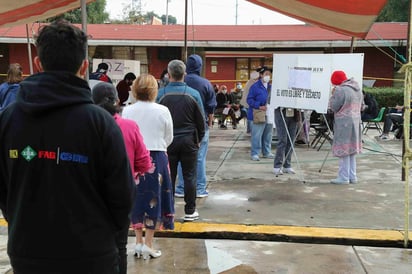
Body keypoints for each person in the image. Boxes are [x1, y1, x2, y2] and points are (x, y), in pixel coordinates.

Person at [0, 20, 134, 273]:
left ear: (38, 64)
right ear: (84, 67)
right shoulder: (101, 124)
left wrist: (21, 220)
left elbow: (4, 190)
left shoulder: (8, 119)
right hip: (92, 256)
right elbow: (123, 196)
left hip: (28, 252)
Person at [92, 81, 152, 272]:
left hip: (90, 194)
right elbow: (144, 162)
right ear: (118, 101)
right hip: (122, 193)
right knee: (120, 245)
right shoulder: (129, 126)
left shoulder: (85, 126)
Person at [122, 74, 175, 260]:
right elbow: (169, 137)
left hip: (135, 157)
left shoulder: (128, 111)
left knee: (136, 199)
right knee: (156, 198)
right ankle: (149, 244)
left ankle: (137, 242)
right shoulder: (163, 110)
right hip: (157, 157)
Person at [157, 59, 205, 221]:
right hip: (189, 140)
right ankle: (190, 210)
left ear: (168, 74)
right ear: (184, 74)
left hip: (167, 142)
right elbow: (201, 121)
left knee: (168, 176)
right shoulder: (193, 94)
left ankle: (167, 211)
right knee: (190, 176)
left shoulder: (161, 94)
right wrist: (198, 139)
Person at [175, 54, 216, 198]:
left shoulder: (179, 81)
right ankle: (199, 188)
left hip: (179, 126)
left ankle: (180, 188)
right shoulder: (205, 83)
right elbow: (211, 107)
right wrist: (209, 123)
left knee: (180, 158)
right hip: (200, 126)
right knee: (199, 158)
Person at [328, 70, 363, 184]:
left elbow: (333, 107)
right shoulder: (357, 89)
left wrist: (332, 95)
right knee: (352, 150)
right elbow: (362, 106)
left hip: (344, 124)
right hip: (355, 122)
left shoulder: (340, 90)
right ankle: (353, 176)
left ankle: (343, 177)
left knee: (344, 150)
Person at [247, 66, 274, 161]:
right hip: (258, 113)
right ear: (261, 75)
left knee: (268, 134)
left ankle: (266, 152)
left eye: (269, 74)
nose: (268, 76)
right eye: (266, 74)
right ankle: (255, 153)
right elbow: (249, 100)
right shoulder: (255, 87)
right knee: (257, 135)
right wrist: (259, 105)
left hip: (269, 113)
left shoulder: (271, 87)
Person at [273, 107, 299, 175]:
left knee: (291, 141)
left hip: (294, 113)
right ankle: (277, 165)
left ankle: (287, 165)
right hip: (281, 111)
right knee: (282, 140)